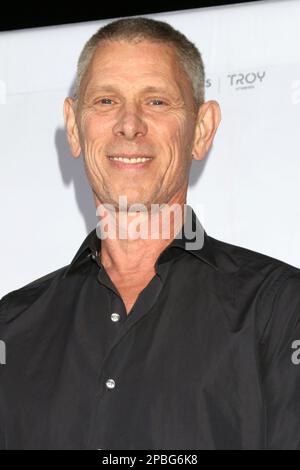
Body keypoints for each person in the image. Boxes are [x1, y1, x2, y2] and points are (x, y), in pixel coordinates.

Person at [0, 16, 299, 450]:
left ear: (201, 129)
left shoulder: (280, 311)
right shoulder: (13, 328)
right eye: (105, 101)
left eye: (156, 102)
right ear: (74, 126)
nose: (129, 124)